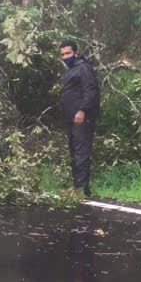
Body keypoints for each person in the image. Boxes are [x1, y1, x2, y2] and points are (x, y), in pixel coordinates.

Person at [59, 40, 100, 197]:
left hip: (82, 117)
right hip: (71, 118)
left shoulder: (83, 68)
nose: (65, 57)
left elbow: (91, 91)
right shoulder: (71, 70)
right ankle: (77, 185)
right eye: (62, 54)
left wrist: (82, 110)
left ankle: (82, 189)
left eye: (68, 53)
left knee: (81, 151)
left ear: (76, 53)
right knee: (74, 151)